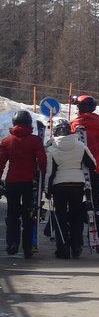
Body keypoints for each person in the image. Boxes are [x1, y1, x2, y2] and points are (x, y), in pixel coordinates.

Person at [0, 110, 49, 257]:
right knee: (29, 214)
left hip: (12, 182)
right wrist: (42, 175)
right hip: (29, 182)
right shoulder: (35, 140)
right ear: (29, 123)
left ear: (14, 123)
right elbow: (42, 160)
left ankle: (12, 243)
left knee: (12, 214)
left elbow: (1, 163)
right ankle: (28, 247)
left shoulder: (7, 141)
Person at [45, 121, 94, 258]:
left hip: (59, 186)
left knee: (60, 216)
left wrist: (47, 190)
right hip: (77, 184)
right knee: (76, 216)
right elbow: (92, 164)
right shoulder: (80, 145)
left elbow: (50, 172)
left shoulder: (51, 149)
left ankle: (63, 248)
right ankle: (77, 246)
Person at [71, 94, 99, 222]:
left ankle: (76, 230)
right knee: (95, 199)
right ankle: (97, 225)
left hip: (80, 169)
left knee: (77, 199)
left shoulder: (74, 126)